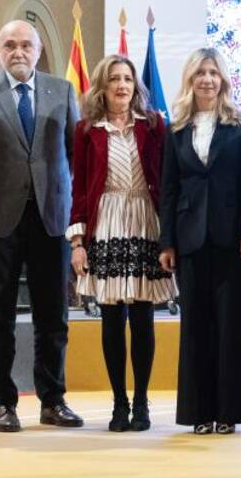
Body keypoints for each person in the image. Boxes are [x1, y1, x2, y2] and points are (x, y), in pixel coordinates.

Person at [0, 20, 83, 432]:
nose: (19, 52)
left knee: (54, 315)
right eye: (10, 45)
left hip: (51, 219)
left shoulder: (62, 90)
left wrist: (78, 217)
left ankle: (53, 400)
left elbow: (75, 156)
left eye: (26, 45)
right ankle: (3, 405)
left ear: (38, 49)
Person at [67, 56, 174, 431]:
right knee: (112, 318)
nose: (122, 85)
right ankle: (118, 403)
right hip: (106, 222)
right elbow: (79, 187)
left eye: (128, 79)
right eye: (114, 79)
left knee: (143, 318)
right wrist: (78, 242)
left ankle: (142, 402)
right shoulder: (85, 130)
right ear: (103, 86)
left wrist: (170, 234)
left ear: (136, 87)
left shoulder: (155, 126)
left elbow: (168, 182)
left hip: (145, 220)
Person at [159, 48, 241, 435]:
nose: (207, 79)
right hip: (189, 240)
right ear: (190, 79)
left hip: (234, 238)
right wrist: (167, 242)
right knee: (196, 327)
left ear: (224, 80)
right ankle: (199, 412)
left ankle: (228, 412)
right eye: (200, 72)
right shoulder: (177, 128)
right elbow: (168, 189)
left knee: (232, 325)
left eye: (213, 73)